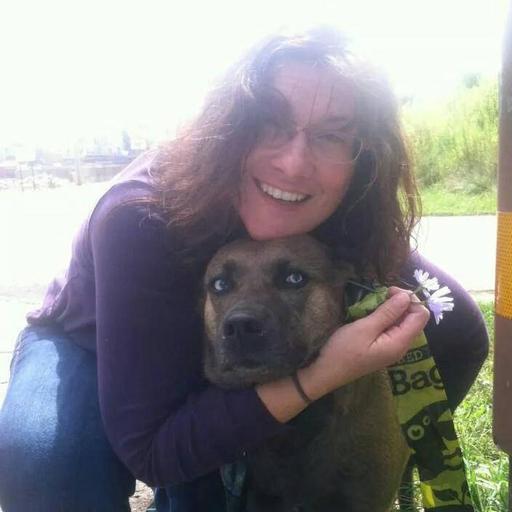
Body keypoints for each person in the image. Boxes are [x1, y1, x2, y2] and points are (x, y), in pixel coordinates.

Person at [0, 27, 488, 512]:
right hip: (87, 339)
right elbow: (152, 453)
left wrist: (402, 445)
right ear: (232, 127)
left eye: (331, 135)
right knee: (48, 464)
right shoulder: (140, 215)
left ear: (365, 156)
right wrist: (318, 376)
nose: (294, 164)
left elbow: (460, 331)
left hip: (215, 346)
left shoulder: (345, 209)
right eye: (272, 123)